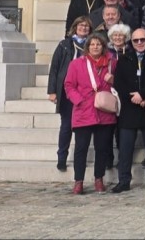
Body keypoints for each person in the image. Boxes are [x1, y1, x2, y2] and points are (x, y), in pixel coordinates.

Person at [63, 33, 118, 194]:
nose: (95, 47)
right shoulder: (77, 64)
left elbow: (120, 82)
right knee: (81, 148)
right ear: (87, 47)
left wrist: (112, 80)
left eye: (98, 44)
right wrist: (78, 100)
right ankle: (78, 181)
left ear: (103, 47)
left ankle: (99, 178)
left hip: (104, 112)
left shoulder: (111, 63)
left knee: (102, 148)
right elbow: (69, 85)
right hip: (83, 110)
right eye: (92, 44)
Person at [112, 28, 145, 194]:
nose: (139, 43)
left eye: (142, 39)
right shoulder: (124, 59)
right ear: (131, 42)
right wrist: (134, 97)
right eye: (136, 40)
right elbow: (119, 83)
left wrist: (144, 95)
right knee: (125, 149)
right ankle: (124, 180)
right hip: (129, 108)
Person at [48, 15, 91, 172]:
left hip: (85, 92)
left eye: (86, 26)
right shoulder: (65, 45)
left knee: (83, 128)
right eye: (80, 25)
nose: (83, 28)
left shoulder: (93, 45)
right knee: (66, 126)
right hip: (67, 90)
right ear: (75, 27)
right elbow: (55, 68)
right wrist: (52, 91)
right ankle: (62, 157)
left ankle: (81, 159)